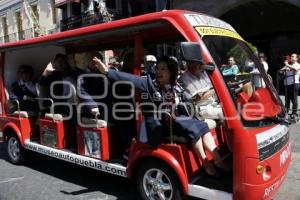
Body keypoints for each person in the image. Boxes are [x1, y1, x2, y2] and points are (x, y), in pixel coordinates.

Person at [93, 55, 229, 177]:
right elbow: (130, 78)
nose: (158, 71)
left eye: (163, 69)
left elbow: (187, 100)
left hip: (176, 120)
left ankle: (217, 160)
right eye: (157, 68)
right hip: (160, 124)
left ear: (170, 72)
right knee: (193, 128)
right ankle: (207, 164)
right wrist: (107, 72)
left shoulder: (175, 86)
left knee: (202, 125)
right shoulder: (149, 83)